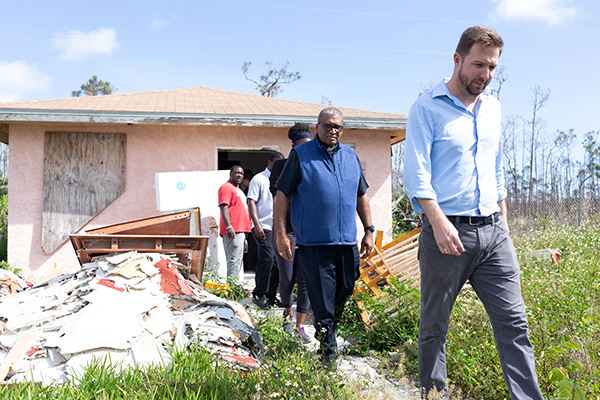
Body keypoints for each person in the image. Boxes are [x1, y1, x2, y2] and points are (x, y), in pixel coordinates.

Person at [404, 26, 544, 399]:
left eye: (493, 67)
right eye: (479, 65)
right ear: (457, 59)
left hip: (494, 233)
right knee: (435, 327)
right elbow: (416, 176)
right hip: (445, 234)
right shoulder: (426, 108)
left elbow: (496, 168)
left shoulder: (493, 108)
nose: (485, 75)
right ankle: (435, 395)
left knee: (514, 323)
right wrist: (438, 222)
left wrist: (504, 223)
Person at [274, 107, 375, 364]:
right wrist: (281, 233)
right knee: (320, 296)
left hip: (346, 242)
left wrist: (369, 230)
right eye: (328, 126)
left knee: (346, 287)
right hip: (314, 243)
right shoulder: (300, 155)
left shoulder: (351, 156)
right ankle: (328, 352)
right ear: (317, 126)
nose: (333, 131)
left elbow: (361, 195)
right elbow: (282, 194)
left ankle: (328, 331)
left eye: (338, 127)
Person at [269, 123, 312, 343]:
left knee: (305, 280)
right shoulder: (280, 166)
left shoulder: (315, 166)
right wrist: (280, 232)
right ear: (293, 147)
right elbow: (278, 196)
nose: (307, 150)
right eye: (302, 146)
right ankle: (287, 312)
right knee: (287, 277)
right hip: (286, 231)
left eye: (309, 145)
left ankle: (300, 326)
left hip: (308, 234)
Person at [247, 151, 285, 309]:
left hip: (277, 227)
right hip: (263, 226)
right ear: (269, 162)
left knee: (277, 262)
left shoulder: (281, 179)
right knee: (267, 258)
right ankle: (259, 294)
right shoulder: (259, 179)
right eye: (276, 163)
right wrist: (256, 224)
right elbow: (251, 202)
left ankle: (271, 296)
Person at [218, 165, 251, 281]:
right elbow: (224, 207)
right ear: (230, 174)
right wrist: (229, 226)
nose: (239, 175)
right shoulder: (226, 187)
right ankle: (233, 290)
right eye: (236, 173)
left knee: (238, 260)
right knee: (233, 260)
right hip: (233, 230)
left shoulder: (238, 189)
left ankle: (235, 287)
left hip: (240, 230)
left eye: (241, 174)